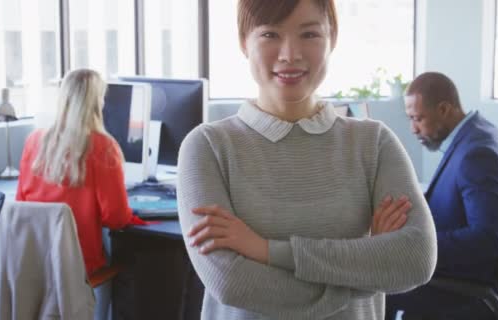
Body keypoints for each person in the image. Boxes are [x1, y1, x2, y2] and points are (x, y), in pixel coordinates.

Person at [176, 0, 437, 319]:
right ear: (244, 41)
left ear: (333, 39)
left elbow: (415, 261)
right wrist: (368, 271)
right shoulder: (207, 147)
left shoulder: (373, 143)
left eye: (309, 34)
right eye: (270, 34)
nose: (290, 55)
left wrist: (266, 250)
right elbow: (232, 282)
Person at [386, 72, 498, 320]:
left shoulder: (477, 155)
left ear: (444, 109)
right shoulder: (478, 133)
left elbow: (486, 240)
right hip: (463, 263)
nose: (413, 128)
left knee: (375, 283)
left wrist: (415, 245)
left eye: (418, 118)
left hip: (465, 277)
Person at [16, 68, 147, 319]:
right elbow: (116, 219)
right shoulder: (102, 147)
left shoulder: (35, 141)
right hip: (82, 270)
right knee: (134, 264)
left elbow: (21, 205)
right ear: (97, 102)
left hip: (35, 267)